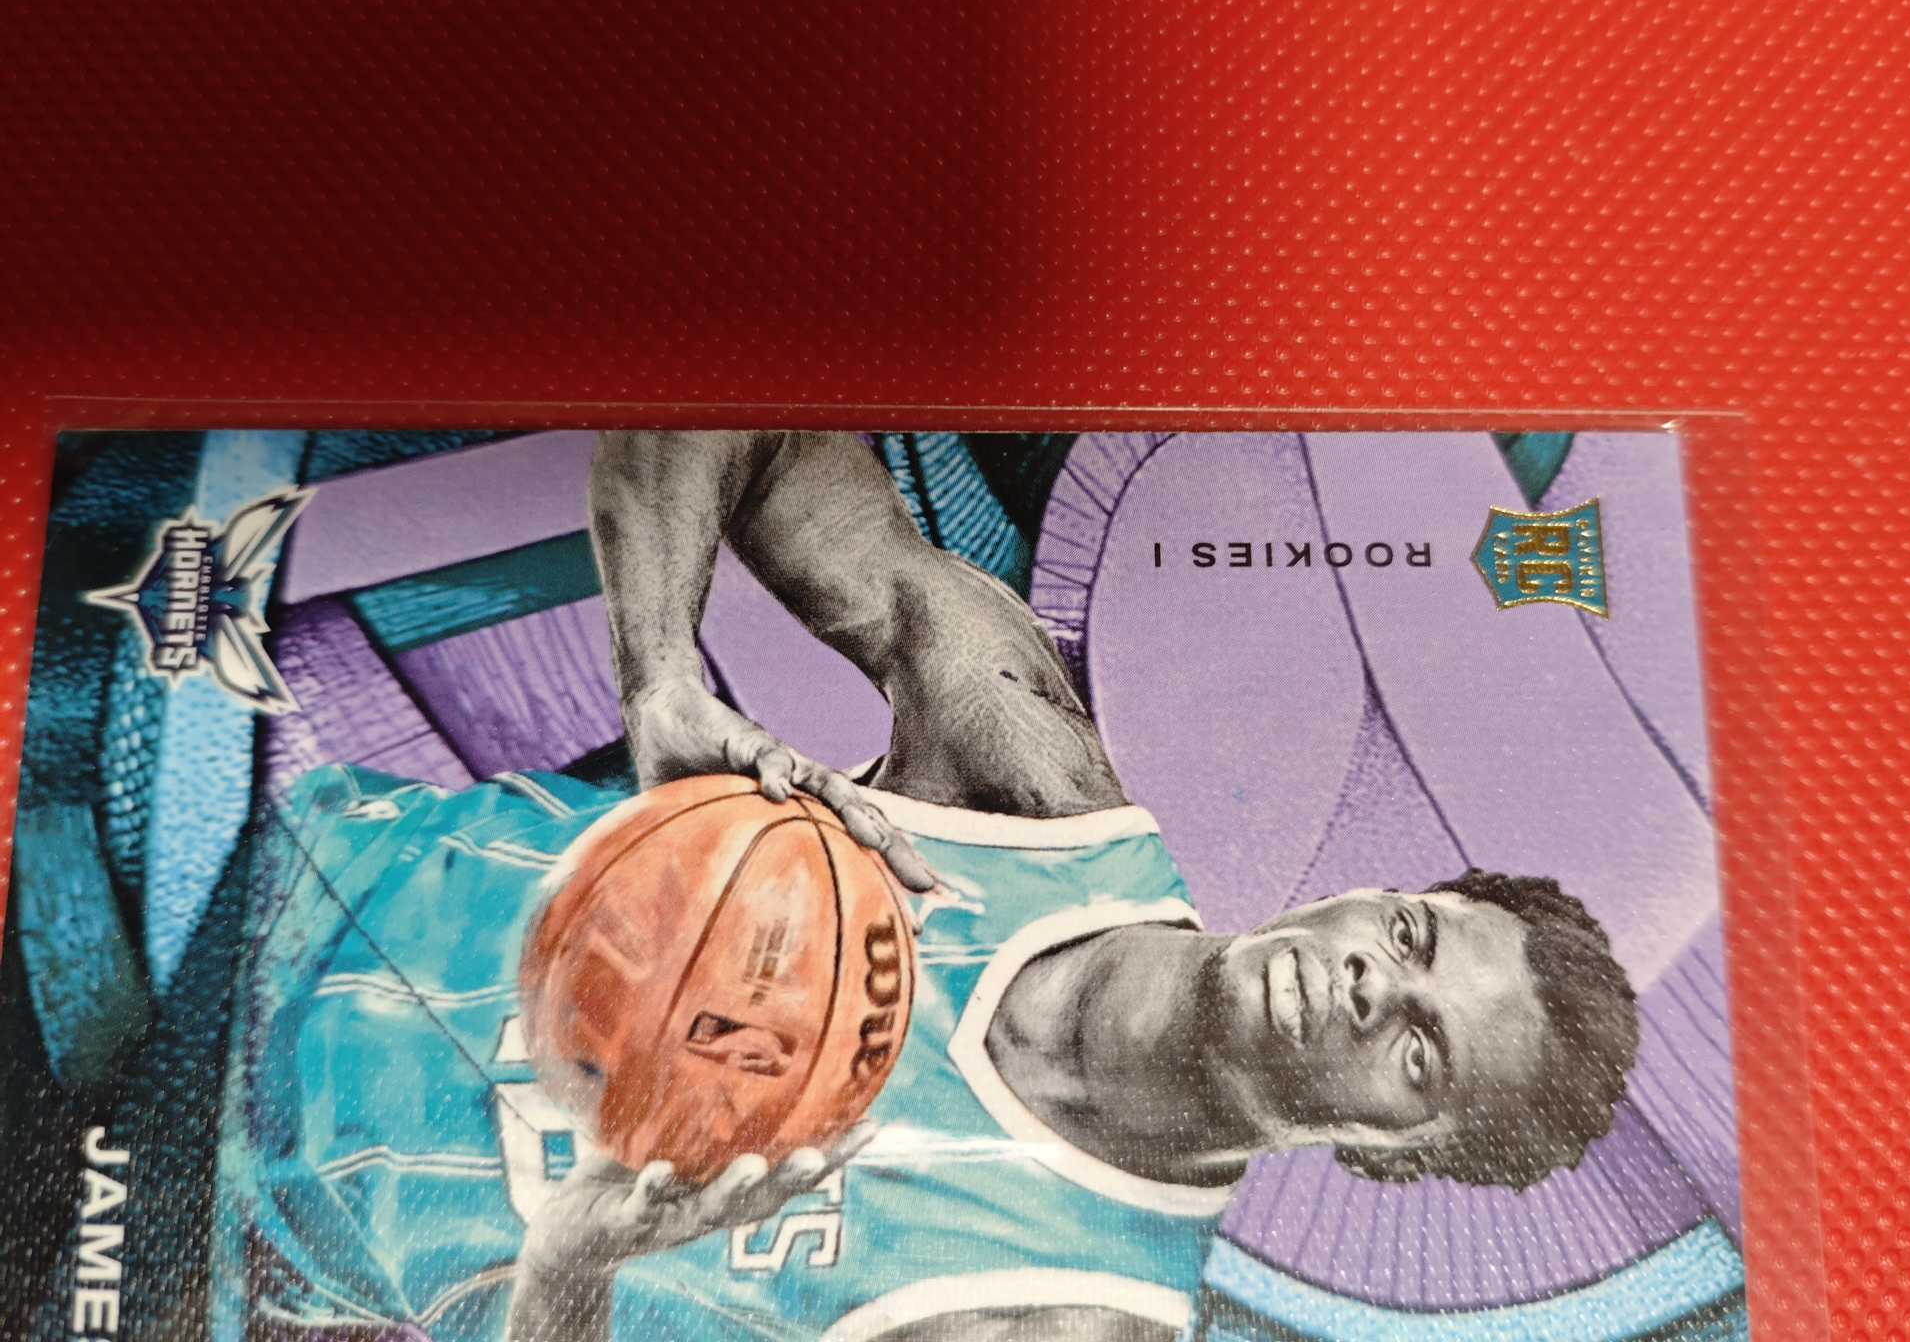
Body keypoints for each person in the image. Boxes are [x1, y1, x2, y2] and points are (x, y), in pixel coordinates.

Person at [225, 431, 1637, 1342]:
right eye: (1411, 935)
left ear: (1390, 1154)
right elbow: (746, 413)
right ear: (1371, 894)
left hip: (217, 1188)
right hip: (255, 879)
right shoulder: (1031, 791)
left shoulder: (1054, 1317)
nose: (1374, 982)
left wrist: (570, 1274)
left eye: (1418, 1050)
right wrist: (657, 672)